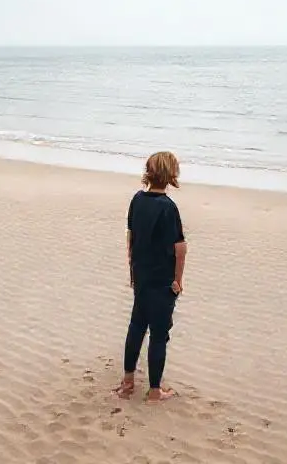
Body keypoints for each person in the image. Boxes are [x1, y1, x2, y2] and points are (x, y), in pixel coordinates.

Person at [114, 151, 187, 403]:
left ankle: (127, 382)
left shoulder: (137, 200)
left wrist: (132, 271)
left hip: (142, 278)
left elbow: (131, 239)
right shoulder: (168, 207)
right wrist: (178, 280)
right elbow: (180, 248)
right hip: (162, 282)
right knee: (158, 334)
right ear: (170, 175)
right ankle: (155, 391)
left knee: (136, 327)